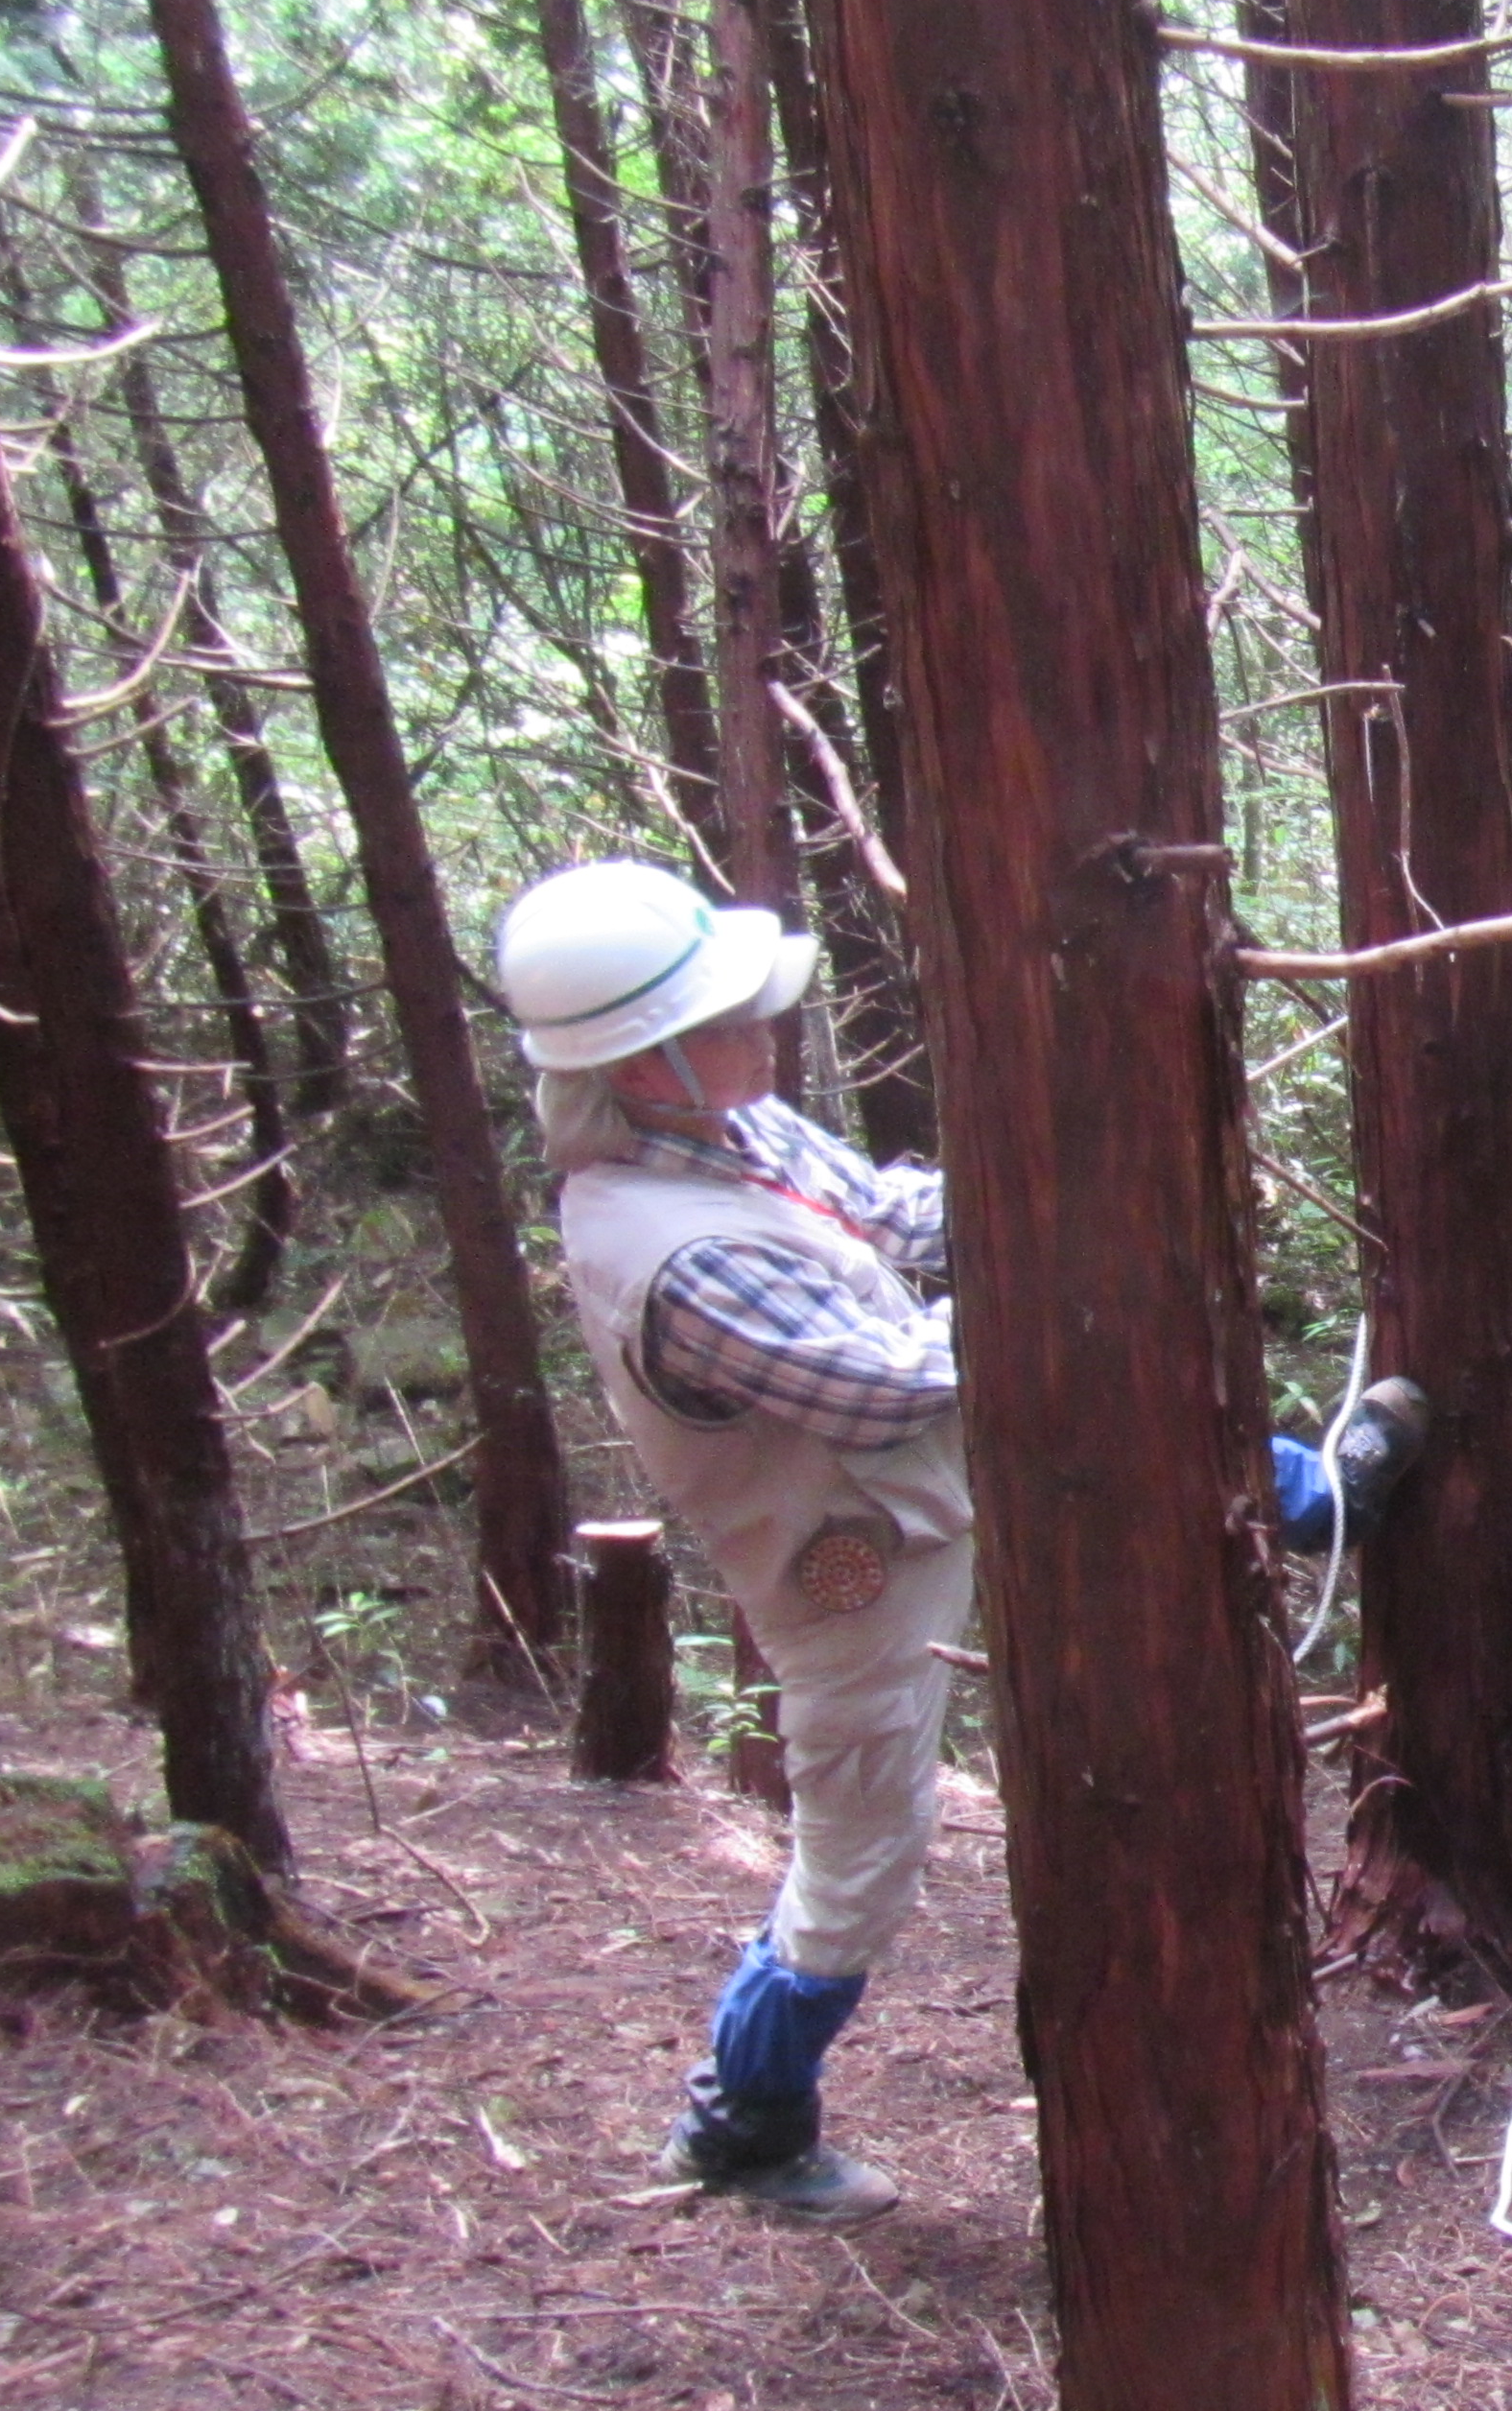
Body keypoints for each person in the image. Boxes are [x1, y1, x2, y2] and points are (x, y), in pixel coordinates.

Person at [495, 858, 1421, 2225]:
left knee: (1136, 1423)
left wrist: (1070, 1171)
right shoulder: (676, 1259)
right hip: (851, 1564)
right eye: (727, 1015)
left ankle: (1315, 1499)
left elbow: (892, 1207)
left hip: (927, 1481)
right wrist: (1081, 1264)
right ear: (640, 1068)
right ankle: (745, 2119)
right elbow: (904, 1378)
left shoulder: (732, 1131)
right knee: (862, 1852)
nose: (767, 1027)